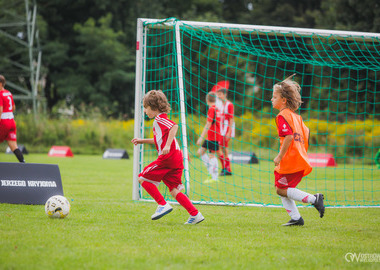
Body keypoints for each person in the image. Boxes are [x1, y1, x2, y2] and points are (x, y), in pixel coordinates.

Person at [131, 90, 204, 225]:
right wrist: (141, 141)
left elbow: (174, 127)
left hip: (168, 157)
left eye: (146, 108)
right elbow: (159, 140)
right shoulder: (160, 120)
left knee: (142, 178)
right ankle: (195, 214)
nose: (145, 111)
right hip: (176, 158)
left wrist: (167, 146)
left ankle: (162, 205)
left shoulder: (160, 119)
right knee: (174, 189)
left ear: (153, 107)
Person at [271, 74, 325, 226]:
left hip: (289, 160)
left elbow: (288, 137)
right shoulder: (296, 117)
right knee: (281, 188)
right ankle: (296, 219)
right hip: (298, 158)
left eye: (274, 97)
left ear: (284, 100)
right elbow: (306, 134)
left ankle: (315, 199)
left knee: (281, 190)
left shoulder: (282, 116)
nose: (271, 99)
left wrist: (280, 156)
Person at [196, 92, 225, 182]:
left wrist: (201, 137)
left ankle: (214, 177)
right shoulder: (217, 109)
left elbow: (208, 124)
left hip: (213, 136)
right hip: (213, 136)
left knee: (212, 155)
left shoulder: (212, 109)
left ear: (207, 100)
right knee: (200, 152)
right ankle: (211, 171)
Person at [0, 75, 25, 163]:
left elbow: (0, 110)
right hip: (12, 122)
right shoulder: (8, 93)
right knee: (13, 146)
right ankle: (23, 163)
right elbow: (13, 107)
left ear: (0, 84)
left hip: (4, 122)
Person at [216, 88, 234, 176]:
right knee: (222, 149)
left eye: (220, 94)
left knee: (221, 149)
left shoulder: (229, 105)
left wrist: (229, 132)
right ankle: (226, 169)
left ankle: (226, 169)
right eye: (217, 94)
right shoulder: (221, 105)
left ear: (225, 94)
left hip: (226, 130)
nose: (218, 96)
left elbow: (231, 119)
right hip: (221, 130)